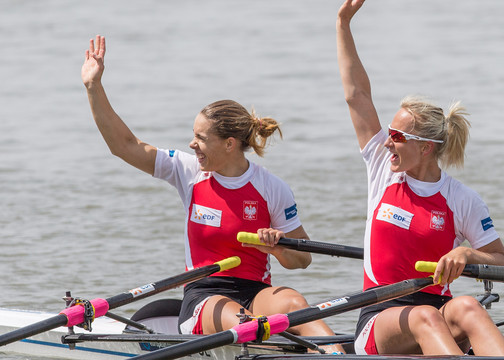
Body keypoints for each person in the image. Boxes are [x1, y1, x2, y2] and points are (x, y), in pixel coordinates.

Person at [81, 35, 343, 352]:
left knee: (294, 302)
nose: (192, 145)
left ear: (229, 144)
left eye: (200, 138)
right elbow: (124, 146)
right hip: (203, 297)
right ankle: (290, 349)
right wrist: (93, 87)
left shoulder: (271, 187)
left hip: (256, 291)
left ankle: (338, 353)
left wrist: (276, 247)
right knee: (246, 324)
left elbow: (302, 259)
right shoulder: (189, 172)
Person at [336, 0, 504, 356]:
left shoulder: (461, 199)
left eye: (398, 137)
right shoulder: (381, 169)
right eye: (389, 133)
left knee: (468, 306)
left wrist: (466, 253)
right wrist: (343, 23)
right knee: (424, 317)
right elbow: (356, 96)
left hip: (434, 311)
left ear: (427, 149)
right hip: (379, 317)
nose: (387, 142)